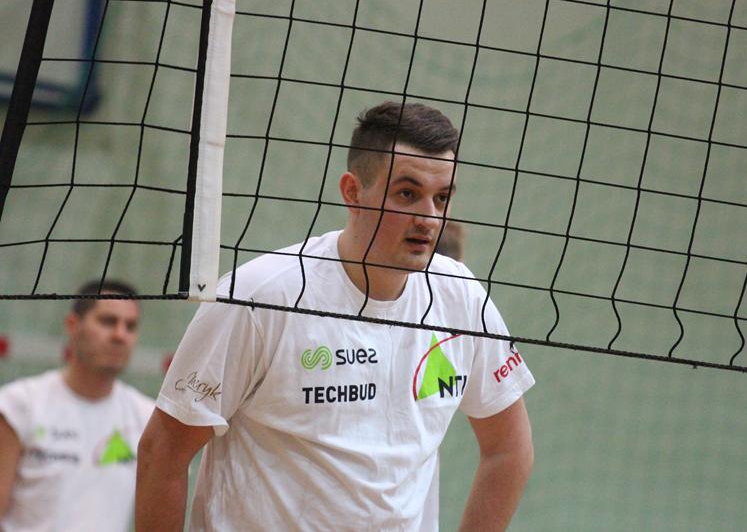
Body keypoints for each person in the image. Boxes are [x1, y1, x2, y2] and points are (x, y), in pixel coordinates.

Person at [136, 101, 535, 531]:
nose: (429, 218)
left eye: (441, 198)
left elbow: (509, 450)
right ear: (352, 191)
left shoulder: (462, 297)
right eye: (407, 194)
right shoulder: (259, 297)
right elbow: (163, 452)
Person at [0, 280, 154, 532]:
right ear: (73, 325)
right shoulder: (18, 405)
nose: (120, 335)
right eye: (108, 321)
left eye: (130, 326)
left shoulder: (147, 417)